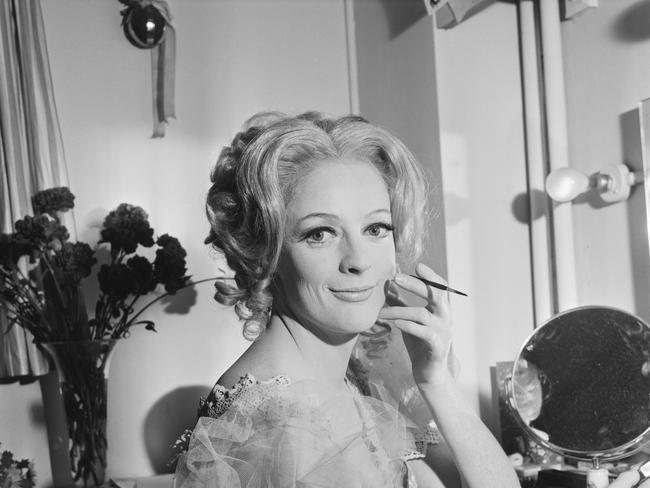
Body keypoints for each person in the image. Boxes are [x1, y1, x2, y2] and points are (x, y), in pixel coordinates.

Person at [174, 111, 520, 487]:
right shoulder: (285, 426)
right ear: (263, 254)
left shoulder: (342, 384)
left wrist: (436, 380)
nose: (358, 261)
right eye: (320, 233)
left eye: (375, 228)